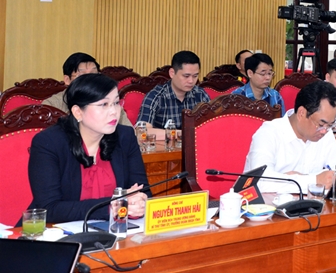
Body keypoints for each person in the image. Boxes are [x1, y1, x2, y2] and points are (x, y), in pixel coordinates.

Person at [27, 74, 149, 224]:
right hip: (58, 234)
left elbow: (142, 191)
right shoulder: (49, 143)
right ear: (78, 112)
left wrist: (138, 204)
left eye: (116, 103)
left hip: (116, 230)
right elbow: (49, 209)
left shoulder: (125, 137)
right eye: (104, 104)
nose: (114, 112)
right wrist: (111, 206)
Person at [243, 80, 336, 193]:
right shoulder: (268, 133)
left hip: (313, 208)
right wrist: (314, 180)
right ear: (301, 113)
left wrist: (296, 178)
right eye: (321, 124)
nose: (324, 131)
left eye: (330, 125)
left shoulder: (325, 133)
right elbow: (260, 182)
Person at [43, 52, 133, 126]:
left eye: (93, 74)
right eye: (83, 75)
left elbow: (130, 135)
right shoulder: (51, 105)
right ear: (67, 80)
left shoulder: (111, 103)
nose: (89, 79)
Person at [138, 51, 210, 131]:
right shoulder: (155, 96)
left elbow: (211, 126)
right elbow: (142, 130)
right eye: (186, 76)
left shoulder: (200, 95)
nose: (191, 81)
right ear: (172, 73)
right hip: (163, 143)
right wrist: (182, 136)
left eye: (195, 76)